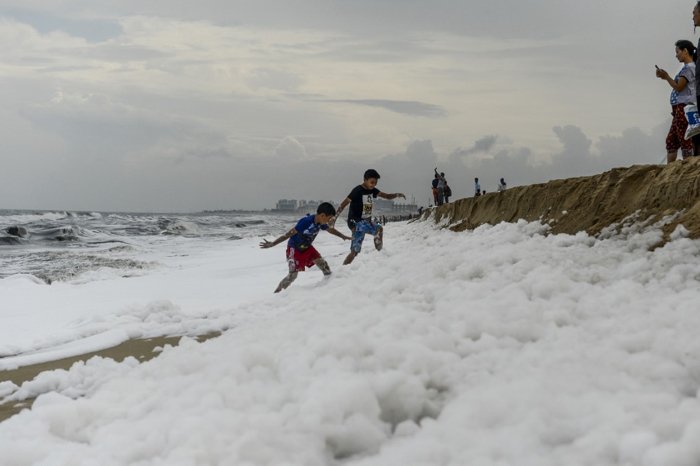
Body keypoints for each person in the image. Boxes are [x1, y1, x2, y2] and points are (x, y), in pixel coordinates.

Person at [260, 202, 351, 293]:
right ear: (322, 215)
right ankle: (277, 294)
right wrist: (273, 244)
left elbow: (330, 229)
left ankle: (328, 285)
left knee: (323, 264)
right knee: (292, 275)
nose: (329, 221)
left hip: (307, 247)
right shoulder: (306, 222)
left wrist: (343, 236)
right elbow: (288, 234)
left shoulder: (321, 222)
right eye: (329, 218)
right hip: (294, 248)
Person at [333, 169, 405, 265]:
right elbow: (343, 204)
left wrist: (397, 194)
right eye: (372, 182)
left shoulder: (373, 190)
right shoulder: (357, 190)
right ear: (365, 180)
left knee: (355, 251)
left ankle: (344, 269)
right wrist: (334, 219)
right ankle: (380, 254)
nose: (373, 185)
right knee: (377, 230)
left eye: (375, 183)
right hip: (355, 222)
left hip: (364, 221)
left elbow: (386, 196)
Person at [656, 39, 697, 162]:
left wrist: (666, 77)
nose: (676, 55)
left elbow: (679, 87)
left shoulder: (689, 68)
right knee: (672, 140)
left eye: (677, 51)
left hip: (685, 107)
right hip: (680, 107)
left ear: (685, 51)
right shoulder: (688, 68)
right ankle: (670, 170)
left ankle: (687, 166)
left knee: (684, 138)